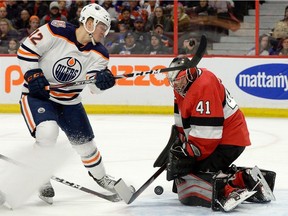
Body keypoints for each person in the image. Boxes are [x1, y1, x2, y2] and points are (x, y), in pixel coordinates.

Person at [17, 3, 124, 204]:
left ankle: (101, 177)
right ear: (90, 22)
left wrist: (104, 82)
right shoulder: (55, 30)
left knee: (87, 146)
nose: (106, 31)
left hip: (70, 102)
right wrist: (32, 74)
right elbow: (26, 49)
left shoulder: (100, 53)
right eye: (103, 26)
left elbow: (93, 86)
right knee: (48, 131)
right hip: (40, 96)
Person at [154, 55, 275, 211]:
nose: (175, 85)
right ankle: (246, 178)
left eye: (178, 81)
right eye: (173, 82)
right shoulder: (182, 87)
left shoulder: (204, 86)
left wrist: (187, 153)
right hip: (221, 138)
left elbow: (208, 136)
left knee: (193, 173)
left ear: (189, 74)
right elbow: (181, 121)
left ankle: (228, 190)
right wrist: (179, 143)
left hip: (229, 141)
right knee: (185, 172)